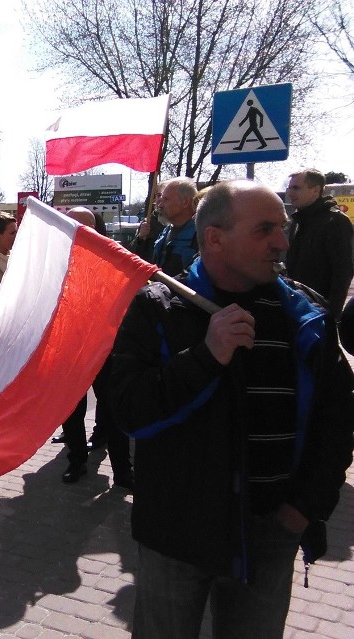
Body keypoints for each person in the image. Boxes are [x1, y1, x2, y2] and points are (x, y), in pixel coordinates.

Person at [111, 180, 354, 639]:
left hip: (272, 530)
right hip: (177, 536)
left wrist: (307, 506)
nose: (282, 241)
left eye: (282, 228)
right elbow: (129, 412)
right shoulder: (159, 308)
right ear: (215, 238)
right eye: (265, 229)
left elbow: (339, 418)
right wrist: (206, 356)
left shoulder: (305, 314)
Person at [55, 208, 133, 489]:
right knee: (72, 410)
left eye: (82, 223)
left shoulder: (113, 255)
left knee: (113, 410)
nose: (76, 228)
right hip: (71, 347)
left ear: (94, 226)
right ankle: (77, 462)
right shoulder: (59, 258)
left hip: (105, 347)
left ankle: (123, 470)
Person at [284, 168, 353, 319]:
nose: (290, 193)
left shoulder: (335, 221)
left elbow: (342, 272)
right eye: (289, 187)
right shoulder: (297, 221)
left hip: (319, 311)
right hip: (297, 306)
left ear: (315, 190)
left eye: (296, 188)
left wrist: (332, 315)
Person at [151, 177, 198, 275]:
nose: (160, 205)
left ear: (185, 202)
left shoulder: (200, 236)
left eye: (166, 199)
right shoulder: (164, 233)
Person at [129, 183, 166, 262]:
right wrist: (140, 237)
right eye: (158, 195)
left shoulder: (178, 220)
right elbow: (133, 254)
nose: (161, 198)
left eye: (165, 196)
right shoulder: (148, 222)